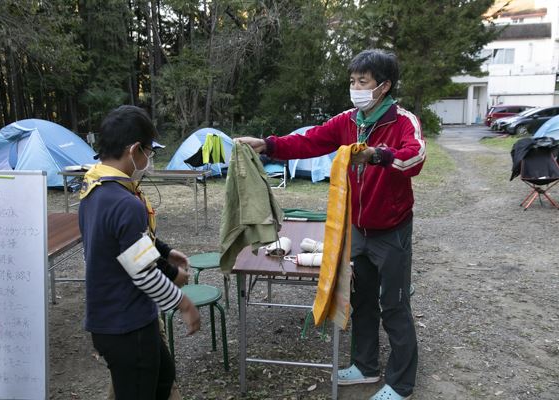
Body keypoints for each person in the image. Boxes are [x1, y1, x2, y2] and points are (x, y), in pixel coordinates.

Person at [237, 49, 425, 400]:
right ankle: (365, 366)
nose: (355, 87)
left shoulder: (402, 121)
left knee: (395, 305)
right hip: (358, 229)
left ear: (383, 87)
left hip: (392, 230)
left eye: (363, 82)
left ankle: (401, 384)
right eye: (352, 81)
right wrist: (268, 145)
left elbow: (415, 157)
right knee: (362, 298)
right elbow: (311, 141)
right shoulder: (348, 120)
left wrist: (378, 155)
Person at [78, 105, 201, 400]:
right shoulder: (125, 202)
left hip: (110, 321)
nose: (149, 159)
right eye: (149, 151)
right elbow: (143, 273)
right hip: (127, 325)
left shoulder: (93, 189)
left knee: (162, 377)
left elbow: (126, 241)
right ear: (134, 150)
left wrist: (165, 251)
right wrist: (182, 302)